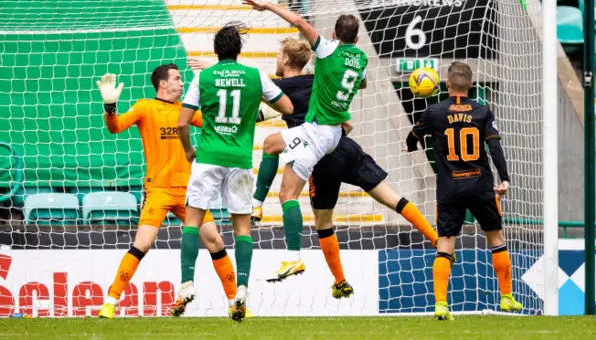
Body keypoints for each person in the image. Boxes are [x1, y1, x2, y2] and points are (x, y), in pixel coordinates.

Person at [190, 39, 441, 298]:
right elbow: (344, 118)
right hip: (345, 147)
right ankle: (436, 239)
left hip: (318, 155)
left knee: (321, 221)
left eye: (278, 54)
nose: (276, 58)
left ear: (286, 60)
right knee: (392, 198)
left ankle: (337, 277)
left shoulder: (281, 87)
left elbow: (247, 87)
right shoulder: (317, 82)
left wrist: (205, 105)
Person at [240, 0, 368, 282]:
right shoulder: (361, 59)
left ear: (334, 36)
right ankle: (258, 205)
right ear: (357, 38)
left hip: (317, 134)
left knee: (287, 195)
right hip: (330, 132)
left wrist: (267, 6)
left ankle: (293, 256)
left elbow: (298, 22)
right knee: (272, 143)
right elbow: (361, 83)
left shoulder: (325, 52)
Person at [173, 22, 293, 323]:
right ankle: (241, 289)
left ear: (216, 51)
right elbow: (288, 107)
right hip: (239, 160)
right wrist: (255, 108)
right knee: (242, 229)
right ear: (240, 50)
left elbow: (182, 122)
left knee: (192, 223)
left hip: (209, 156)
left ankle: (187, 283)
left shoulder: (204, 76)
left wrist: (189, 151)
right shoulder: (256, 76)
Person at [95, 64, 237, 319]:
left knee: (215, 241)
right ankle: (110, 302)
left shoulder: (186, 109)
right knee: (143, 243)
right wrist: (109, 107)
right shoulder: (145, 107)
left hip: (188, 192)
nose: (181, 83)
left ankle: (235, 304)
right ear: (163, 83)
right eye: (177, 79)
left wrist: (244, 108)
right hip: (158, 190)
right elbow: (115, 127)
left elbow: (216, 122)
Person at [403, 62, 522, 321]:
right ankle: (506, 297)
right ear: (470, 85)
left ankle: (441, 305)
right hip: (480, 185)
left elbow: (412, 138)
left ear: (446, 83)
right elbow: (495, 148)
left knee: (445, 243)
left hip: (449, 187)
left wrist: (412, 146)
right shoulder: (482, 111)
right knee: (496, 238)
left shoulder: (434, 111)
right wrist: (505, 178)